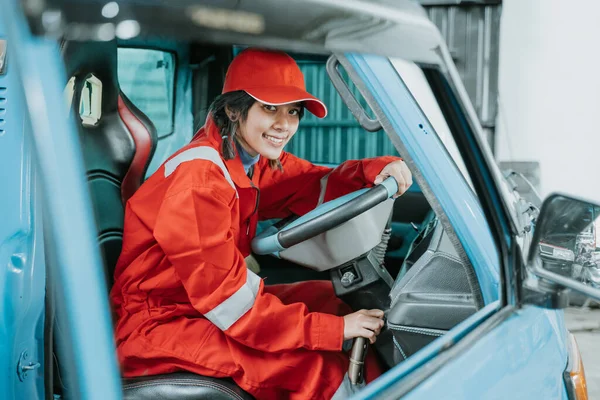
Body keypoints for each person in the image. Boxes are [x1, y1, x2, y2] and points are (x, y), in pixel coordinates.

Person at [110, 48, 413, 400]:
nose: (284, 124)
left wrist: (377, 170)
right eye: (270, 108)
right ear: (233, 109)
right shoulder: (200, 183)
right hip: (161, 327)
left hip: (199, 310)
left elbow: (316, 184)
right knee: (317, 367)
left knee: (329, 298)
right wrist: (333, 331)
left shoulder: (250, 163)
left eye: (293, 112)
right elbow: (231, 305)